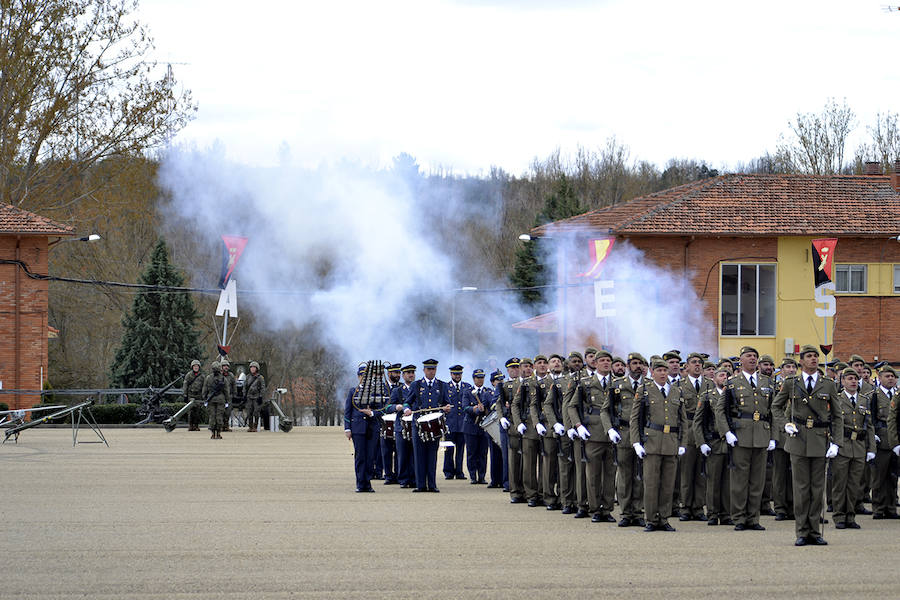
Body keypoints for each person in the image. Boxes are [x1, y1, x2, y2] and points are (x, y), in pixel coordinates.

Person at [772, 344, 843, 546]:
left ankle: (815, 531)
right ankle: (802, 532)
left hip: (821, 440)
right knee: (801, 489)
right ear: (801, 361)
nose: (813, 359)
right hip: (798, 440)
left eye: (815, 356)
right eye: (809, 356)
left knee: (817, 489)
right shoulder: (791, 383)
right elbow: (776, 407)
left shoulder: (828, 384)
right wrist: (785, 424)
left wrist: (836, 443)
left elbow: (837, 416)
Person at [715, 346, 775, 531]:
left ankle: (753, 518)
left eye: (755, 356)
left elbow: (774, 411)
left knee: (757, 480)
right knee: (740, 480)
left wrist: (774, 436)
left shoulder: (767, 382)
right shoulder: (732, 383)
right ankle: (739, 517)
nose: (752, 359)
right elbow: (720, 410)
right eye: (748, 356)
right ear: (740, 360)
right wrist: (727, 433)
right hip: (740, 435)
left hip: (761, 435)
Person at [631, 358, 687, 532]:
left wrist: (682, 442)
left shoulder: (677, 391)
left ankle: (664, 518)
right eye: (659, 370)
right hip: (652, 441)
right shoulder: (644, 390)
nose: (663, 373)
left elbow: (683, 420)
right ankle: (651, 519)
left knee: (668, 484)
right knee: (651, 483)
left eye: (665, 370)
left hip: (671, 441)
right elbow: (635, 418)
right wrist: (636, 442)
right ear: (652, 373)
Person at [602, 352, 647, 527]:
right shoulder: (617, 386)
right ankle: (626, 512)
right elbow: (605, 410)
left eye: (640, 364)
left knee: (640, 475)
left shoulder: (649, 386)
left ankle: (638, 511)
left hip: (644, 435)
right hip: (624, 433)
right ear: (628, 366)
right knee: (625, 475)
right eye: (634, 363)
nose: (637, 366)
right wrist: (610, 430)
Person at [830, 368, 875, 529]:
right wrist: (833, 443)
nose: (853, 381)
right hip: (843, 444)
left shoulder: (864, 400)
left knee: (854, 484)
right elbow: (832, 423)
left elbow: (869, 425)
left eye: (855, 379)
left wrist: (871, 449)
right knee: (840, 483)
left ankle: (850, 516)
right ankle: (839, 516)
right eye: (849, 378)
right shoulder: (837, 399)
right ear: (843, 381)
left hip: (859, 446)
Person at [403, 359, 451, 493]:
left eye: (433, 369)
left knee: (432, 455)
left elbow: (447, 403)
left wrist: (447, 408)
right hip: (418, 425)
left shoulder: (442, 385)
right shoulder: (416, 385)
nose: (431, 371)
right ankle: (420, 485)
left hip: (434, 425)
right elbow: (407, 402)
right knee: (419, 455)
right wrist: (406, 409)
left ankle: (432, 484)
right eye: (429, 369)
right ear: (424, 370)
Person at [678, 352, 713, 521]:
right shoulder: (679, 385)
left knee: (701, 472)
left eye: (700, 362)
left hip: (704, 432)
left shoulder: (710, 384)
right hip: (687, 430)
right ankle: (685, 507)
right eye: (694, 362)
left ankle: (698, 507)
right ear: (687, 366)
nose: (697, 365)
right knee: (686, 472)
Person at [694, 367, 732, 525]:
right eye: (721, 375)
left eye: (727, 375)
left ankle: (726, 514)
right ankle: (712, 513)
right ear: (714, 378)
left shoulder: (732, 395)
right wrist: (702, 443)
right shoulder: (707, 396)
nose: (725, 377)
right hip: (714, 443)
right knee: (713, 481)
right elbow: (698, 423)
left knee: (728, 482)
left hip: (730, 444)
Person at [514, 356, 546, 507]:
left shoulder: (552, 383)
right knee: (529, 464)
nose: (542, 365)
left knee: (545, 463)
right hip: (529, 427)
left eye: (544, 363)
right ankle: (531, 494)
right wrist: (518, 423)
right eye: (539, 363)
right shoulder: (527, 384)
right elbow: (515, 405)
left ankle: (543, 493)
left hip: (547, 426)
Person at [344, 364, 379, 493]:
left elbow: (381, 409)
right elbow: (348, 411)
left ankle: (368, 483)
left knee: (370, 457)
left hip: (372, 428)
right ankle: (360, 483)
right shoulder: (353, 392)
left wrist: (373, 413)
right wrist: (347, 428)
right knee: (360, 457)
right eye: (362, 375)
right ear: (358, 377)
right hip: (358, 428)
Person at [771, 357, 797, 520]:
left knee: (795, 473)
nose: (791, 370)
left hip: (797, 435)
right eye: (787, 367)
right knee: (780, 473)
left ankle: (795, 506)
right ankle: (780, 507)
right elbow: (772, 411)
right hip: (780, 434)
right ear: (781, 370)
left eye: (794, 367)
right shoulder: (773, 387)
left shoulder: (800, 386)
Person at [495, 357, 523, 501]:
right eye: (512, 368)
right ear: (508, 370)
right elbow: (498, 404)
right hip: (510, 423)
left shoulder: (525, 383)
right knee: (509, 457)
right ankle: (510, 484)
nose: (515, 370)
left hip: (524, 424)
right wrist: (502, 418)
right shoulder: (505, 385)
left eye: (517, 367)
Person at [872, 365, 898, 518]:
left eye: (893, 376)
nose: (890, 379)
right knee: (879, 476)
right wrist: (874, 435)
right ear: (880, 378)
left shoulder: (898, 394)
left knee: (893, 476)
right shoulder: (874, 395)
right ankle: (878, 508)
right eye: (887, 376)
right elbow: (872, 417)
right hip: (881, 438)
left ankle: (891, 507)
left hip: (895, 440)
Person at [385, 364, 417, 488]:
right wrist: (397, 407)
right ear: (403, 375)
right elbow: (388, 407)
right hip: (401, 427)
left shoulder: (418, 388)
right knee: (402, 454)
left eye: (413, 372)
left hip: (415, 426)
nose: (411, 374)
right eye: (408, 372)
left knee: (415, 454)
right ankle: (403, 479)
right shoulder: (397, 390)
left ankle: (415, 479)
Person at [463, 368, 490, 484]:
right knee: (472, 452)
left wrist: (485, 409)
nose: (480, 380)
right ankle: (473, 475)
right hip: (471, 426)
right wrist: (474, 409)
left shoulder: (488, 392)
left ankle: (482, 476)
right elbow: (465, 407)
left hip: (483, 426)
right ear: (474, 379)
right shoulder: (467, 392)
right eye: (478, 378)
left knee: (483, 453)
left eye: (482, 378)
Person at [443, 364, 469, 480]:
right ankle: (448, 471)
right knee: (448, 449)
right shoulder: (445, 387)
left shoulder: (466, 386)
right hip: (450, 423)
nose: (457, 376)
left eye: (459, 374)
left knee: (460, 449)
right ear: (451, 374)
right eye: (455, 374)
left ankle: (459, 471)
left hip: (462, 423)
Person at [380, 364, 402, 485]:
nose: (398, 375)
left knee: (399, 449)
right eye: (395, 373)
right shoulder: (381, 388)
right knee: (386, 450)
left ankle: (399, 474)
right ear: (389, 374)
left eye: (399, 373)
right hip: (385, 422)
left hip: (398, 422)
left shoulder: (401, 387)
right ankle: (388, 475)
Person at [202, 361, 231, 440]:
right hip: (220, 399)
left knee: (212, 417)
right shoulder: (223, 379)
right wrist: (228, 401)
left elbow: (204, 390)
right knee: (219, 416)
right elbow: (226, 391)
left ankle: (212, 434)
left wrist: (205, 398)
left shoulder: (208, 378)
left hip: (211, 399)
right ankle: (218, 433)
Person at [487, 369, 506, 488]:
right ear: (493, 382)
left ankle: (504, 479)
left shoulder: (506, 389)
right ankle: (495, 480)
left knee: (504, 455)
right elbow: (490, 406)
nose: (500, 381)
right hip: (493, 426)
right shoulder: (487, 393)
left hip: (504, 424)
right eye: (498, 380)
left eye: (501, 379)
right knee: (494, 455)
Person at [244, 361, 266, 432]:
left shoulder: (260, 378)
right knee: (249, 412)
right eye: (251, 367)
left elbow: (263, 388)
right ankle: (250, 426)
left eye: (254, 367)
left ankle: (255, 426)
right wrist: (244, 395)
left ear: (257, 368)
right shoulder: (247, 377)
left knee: (256, 412)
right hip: (249, 397)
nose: (252, 369)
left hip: (257, 397)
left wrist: (261, 396)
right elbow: (245, 387)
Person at [182, 359, 204, 431]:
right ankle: (191, 425)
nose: (196, 367)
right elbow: (185, 385)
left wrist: (203, 395)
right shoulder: (189, 375)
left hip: (198, 396)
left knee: (197, 412)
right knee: (191, 412)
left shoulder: (202, 376)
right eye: (194, 366)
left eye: (197, 366)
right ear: (192, 367)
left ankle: (196, 425)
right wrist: (185, 395)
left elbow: (204, 386)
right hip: (191, 395)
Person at [220, 359, 236, 432]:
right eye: (224, 366)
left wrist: (234, 395)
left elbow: (234, 385)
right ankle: (220, 426)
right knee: (220, 412)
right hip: (220, 396)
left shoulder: (231, 375)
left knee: (228, 412)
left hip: (228, 397)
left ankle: (226, 426)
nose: (226, 367)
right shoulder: (219, 375)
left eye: (227, 366)